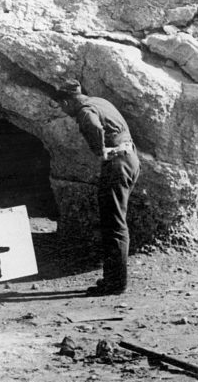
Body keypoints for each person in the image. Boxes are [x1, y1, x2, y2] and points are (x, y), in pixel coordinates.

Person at [56, 80, 140, 296]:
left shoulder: (85, 111)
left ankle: (115, 283)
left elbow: (94, 126)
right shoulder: (99, 101)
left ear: (66, 101)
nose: (64, 111)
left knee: (113, 224)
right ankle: (115, 280)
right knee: (117, 220)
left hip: (117, 164)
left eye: (62, 106)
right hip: (131, 160)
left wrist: (99, 150)